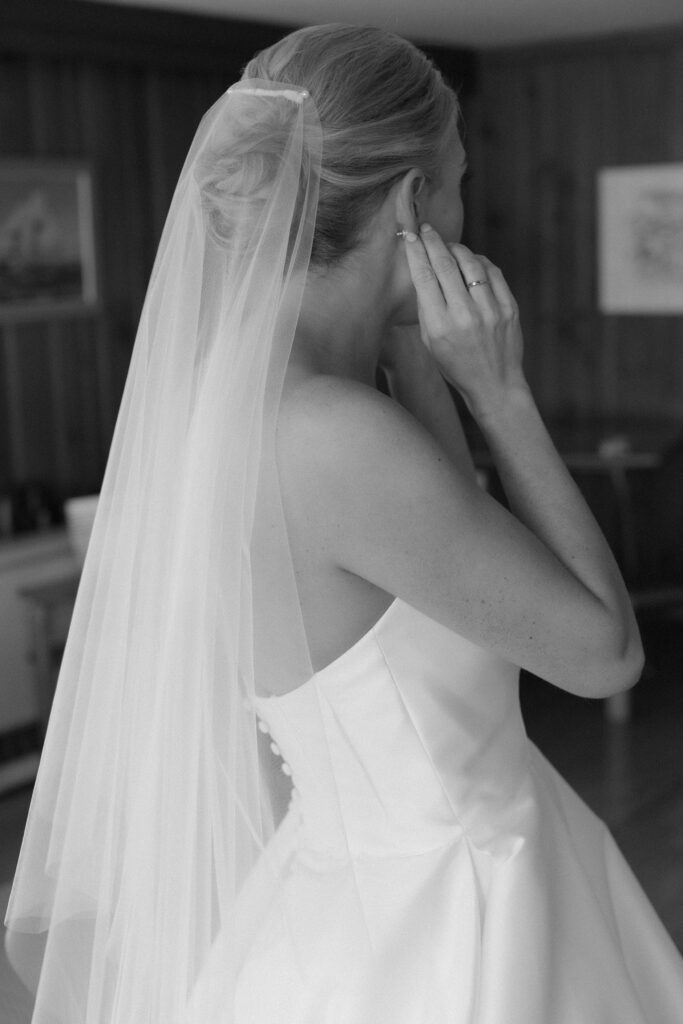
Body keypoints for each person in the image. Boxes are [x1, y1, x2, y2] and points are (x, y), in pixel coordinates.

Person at [4, 23, 683, 1024]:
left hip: (343, 897)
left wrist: (418, 362)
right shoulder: (334, 435)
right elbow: (602, 654)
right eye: (454, 180)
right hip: (447, 918)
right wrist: (500, 394)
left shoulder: (261, 409)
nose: (464, 210)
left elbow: (462, 587)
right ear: (412, 203)